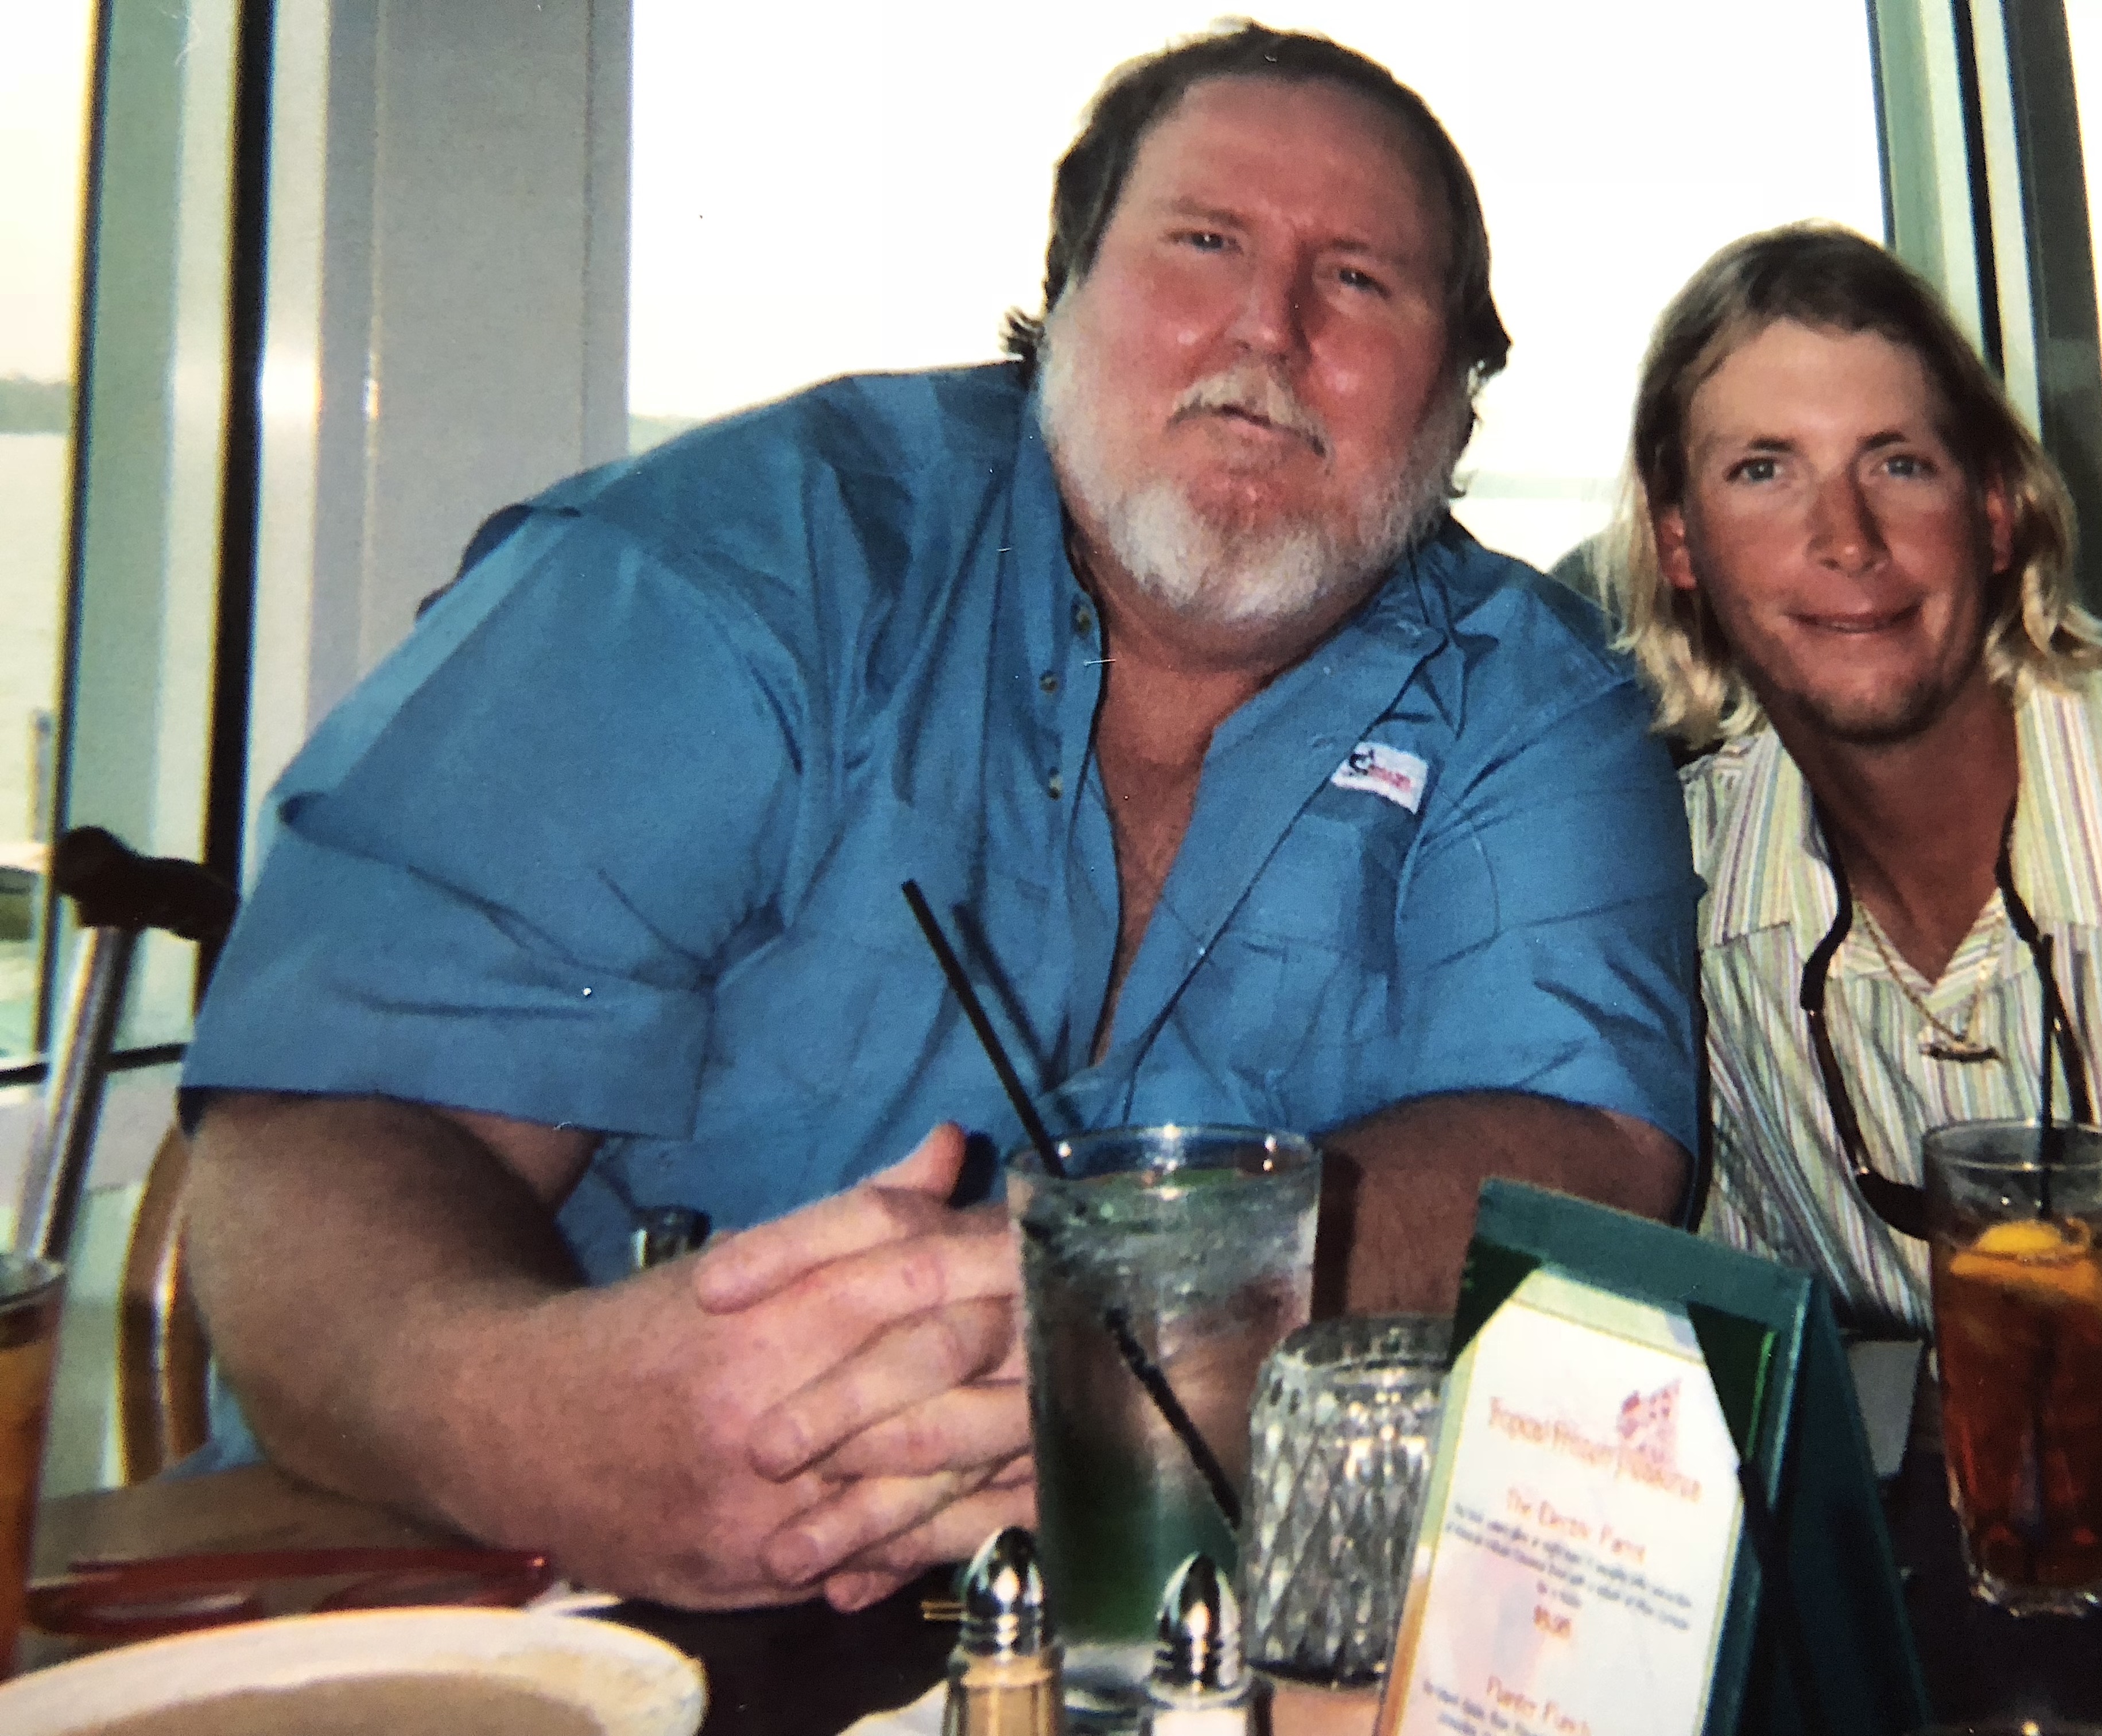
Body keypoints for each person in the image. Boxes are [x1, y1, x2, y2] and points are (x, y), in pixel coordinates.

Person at [180, 25, 1700, 1612]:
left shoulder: (1528, 697)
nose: (1268, 326)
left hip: (1173, 1625)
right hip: (517, 1603)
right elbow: (330, 1125)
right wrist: (516, 1418)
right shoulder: (738, 572)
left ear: (1458, 402)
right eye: (1204, 244)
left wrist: (1177, 1311)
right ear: (1061, 296)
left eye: (1364, 283)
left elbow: (1584, 1144)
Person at [1607, 222, 2102, 1336]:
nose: (1847, 538)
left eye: (1898, 462)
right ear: (1681, 541)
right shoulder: (1683, 897)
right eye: (1763, 470)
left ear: (1993, 514)